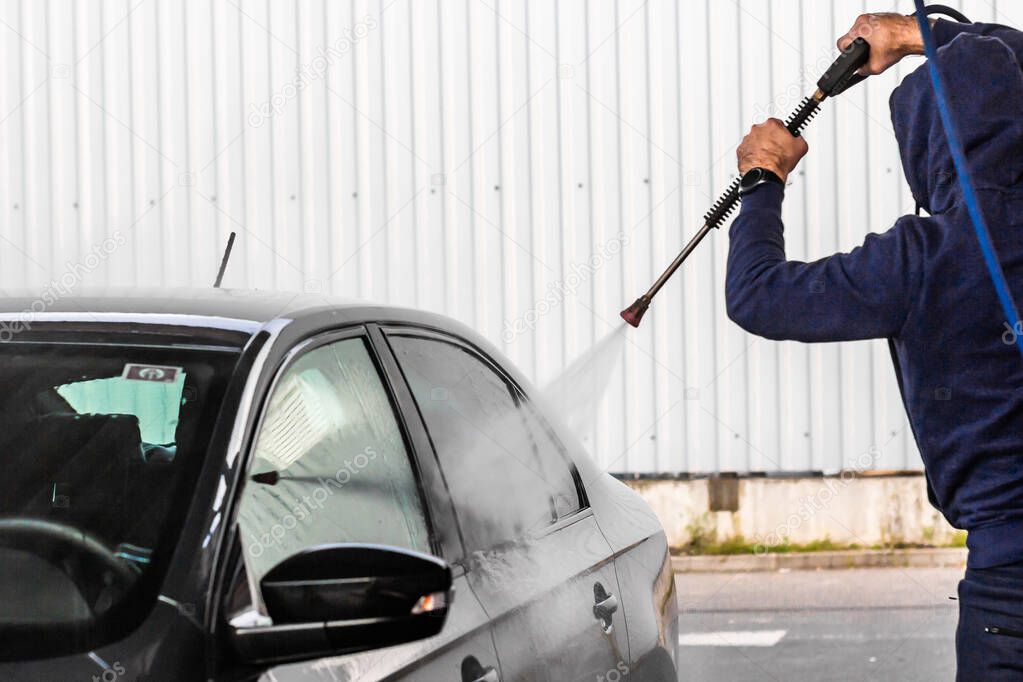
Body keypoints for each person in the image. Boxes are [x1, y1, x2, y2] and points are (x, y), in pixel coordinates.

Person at [728, 12, 1023, 681]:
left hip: (1011, 586)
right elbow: (1006, 61)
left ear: (926, 147)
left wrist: (762, 179)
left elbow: (757, 295)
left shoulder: (920, 259)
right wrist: (914, 34)